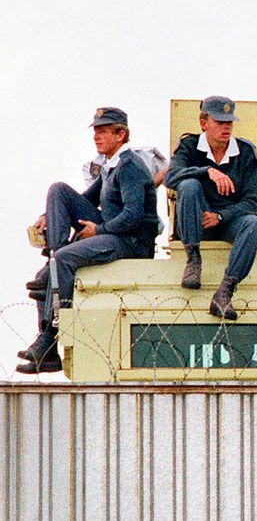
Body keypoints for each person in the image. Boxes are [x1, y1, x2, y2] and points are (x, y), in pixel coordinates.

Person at [19, 107, 157, 374]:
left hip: (130, 241)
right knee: (58, 191)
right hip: (112, 232)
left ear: (121, 135)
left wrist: (100, 229)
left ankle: (49, 337)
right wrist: (48, 214)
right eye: (96, 131)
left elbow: (134, 215)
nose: (97, 137)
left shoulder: (129, 167)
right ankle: (52, 261)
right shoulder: (110, 165)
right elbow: (86, 199)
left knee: (64, 261)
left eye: (104, 132)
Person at [165, 95, 257, 321]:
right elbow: (170, 177)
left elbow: (252, 202)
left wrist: (220, 216)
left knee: (255, 225)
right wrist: (206, 171)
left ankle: (225, 290)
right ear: (204, 123)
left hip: (227, 221)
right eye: (220, 122)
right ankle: (193, 259)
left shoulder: (246, 152)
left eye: (229, 122)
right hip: (195, 219)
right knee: (188, 186)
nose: (226, 127)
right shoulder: (189, 146)